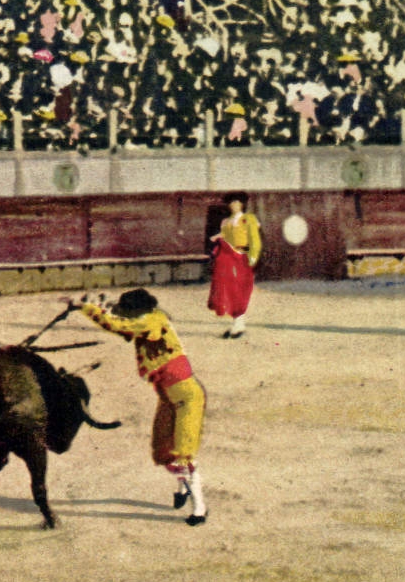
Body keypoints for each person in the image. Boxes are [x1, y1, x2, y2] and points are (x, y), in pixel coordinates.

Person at [72, 289, 209, 525]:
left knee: (183, 455)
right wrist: (99, 305)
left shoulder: (149, 321)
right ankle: (182, 489)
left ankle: (199, 508)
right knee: (164, 449)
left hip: (188, 399)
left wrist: (86, 308)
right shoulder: (151, 317)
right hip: (170, 396)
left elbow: (118, 325)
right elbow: (122, 321)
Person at [207, 191, 262, 338]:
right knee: (229, 290)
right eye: (232, 203)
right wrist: (217, 237)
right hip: (227, 258)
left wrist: (252, 259)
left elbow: (254, 239)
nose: (234, 205)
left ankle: (239, 325)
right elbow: (226, 235)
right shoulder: (226, 221)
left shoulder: (248, 219)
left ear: (242, 204)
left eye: (237, 202)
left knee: (239, 291)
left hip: (242, 258)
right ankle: (238, 325)